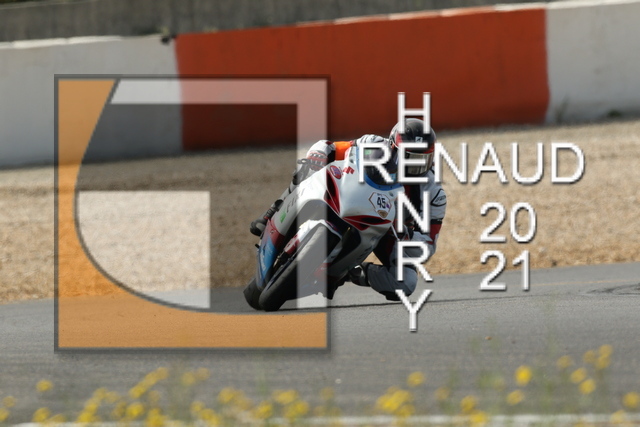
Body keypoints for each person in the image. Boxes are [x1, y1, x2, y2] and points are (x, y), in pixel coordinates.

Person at [249, 118, 446, 301]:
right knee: (305, 170)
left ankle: (349, 272)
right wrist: (318, 156)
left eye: (422, 161)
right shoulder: (372, 144)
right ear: (393, 147)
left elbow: (428, 244)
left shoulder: (435, 194)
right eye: (409, 158)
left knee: (405, 283)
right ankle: (271, 212)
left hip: (390, 232)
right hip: (354, 198)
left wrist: (404, 235)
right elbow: (332, 147)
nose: (414, 167)